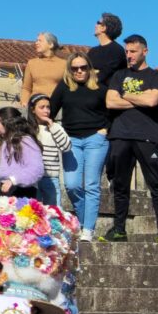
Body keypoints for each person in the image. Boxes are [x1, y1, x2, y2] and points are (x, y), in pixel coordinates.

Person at [101, 34, 158, 243]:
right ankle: (119, 229)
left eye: (133, 51)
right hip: (120, 135)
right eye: (127, 52)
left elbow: (152, 101)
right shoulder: (119, 75)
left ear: (144, 51)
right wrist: (139, 98)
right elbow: (110, 102)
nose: (129, 55)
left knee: (155, 185)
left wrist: (126, 96)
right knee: (120, 185)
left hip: (146, 136)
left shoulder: (157, 76)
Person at [57, 57, 112, 239]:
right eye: (74, 68)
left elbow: (113, 112)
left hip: (95, 140)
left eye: (83, 67)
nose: (79, 71)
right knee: (71, 185)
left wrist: (105, 130)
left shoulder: (101, 89)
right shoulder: (64, 88)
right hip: (71, 140)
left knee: (91, 184)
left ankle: (88, 229)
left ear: (89, 68)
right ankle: (82, 221)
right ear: (69, 70)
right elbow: (48, 109)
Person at [29, 94, 71, 206]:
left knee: (53, 213)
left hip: (51, 178)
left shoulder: (55, 127)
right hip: (32, 179)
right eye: (41, 107)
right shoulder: (27, 129)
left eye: (48, 107)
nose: (46, 111)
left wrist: (52, 126)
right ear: (33, 110)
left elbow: (66, 147)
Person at [20, 31, 66, 105]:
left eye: (40, 41)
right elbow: (26, 88)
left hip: (57, 106)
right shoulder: (32, 63)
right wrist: (24, 102)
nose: (36, 43)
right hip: (36, 106)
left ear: (51, 45)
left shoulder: (64, 64)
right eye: (36, 40)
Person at [84, 13, 127, 78]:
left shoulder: (116, 50)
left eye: (98, 23)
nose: (95, 25)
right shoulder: (92, 51)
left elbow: (105, 74)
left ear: (104, 28)